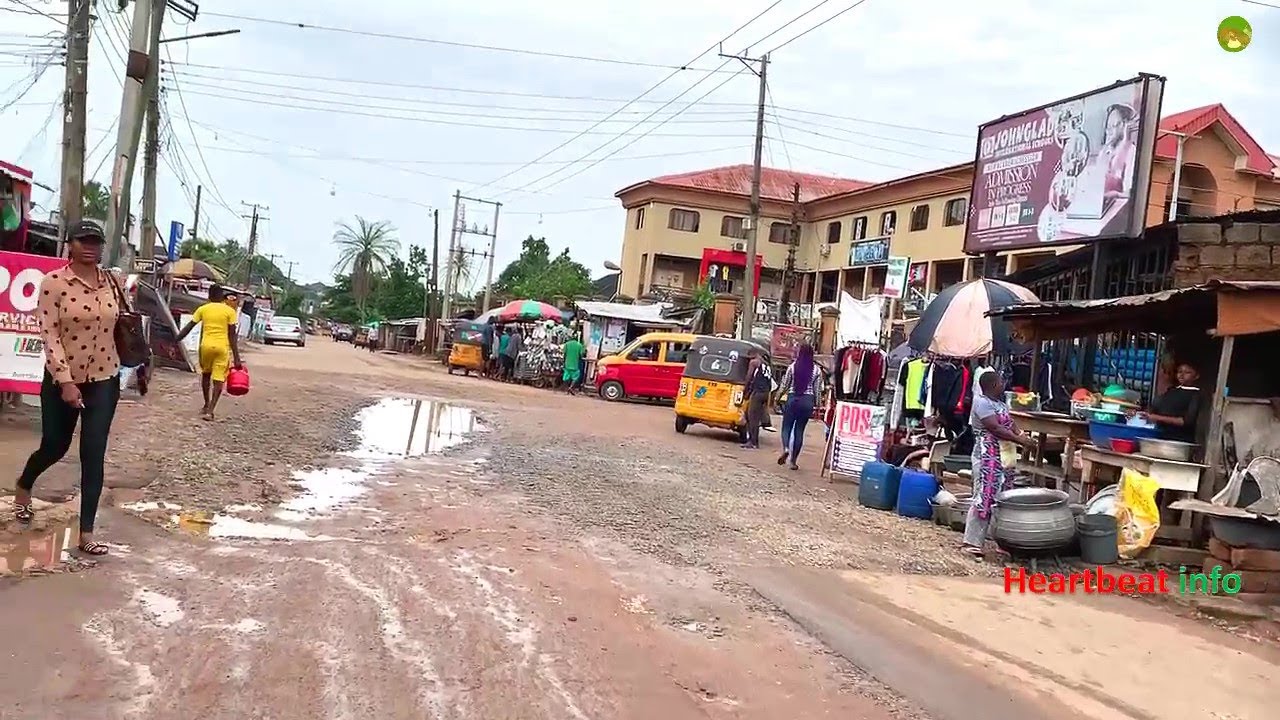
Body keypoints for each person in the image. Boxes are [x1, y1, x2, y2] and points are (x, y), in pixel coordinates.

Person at [12, 220, 125, 555]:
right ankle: (24, 484)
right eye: (83, 240)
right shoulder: (54, 283)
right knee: (55, 446)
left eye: (96, 241)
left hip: (105, 378)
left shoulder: (112, 281)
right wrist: (65, 381)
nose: (90, 247)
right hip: (63, 379)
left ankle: (86, 534)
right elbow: (50, 335)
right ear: (70, 244)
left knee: (93, 452)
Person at [962, 369, 1036, 557]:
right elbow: (995, 428)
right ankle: (972, 542)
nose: (1004, 385)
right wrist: (1020, 442)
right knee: (983, 495)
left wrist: (1022, 436)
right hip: (986, 455)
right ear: (994, 385)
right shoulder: (981, 403)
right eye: (1001, 382)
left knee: (1003, 496)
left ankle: (1001, 541)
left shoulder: (1000, 404)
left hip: (1003, 458)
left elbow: (1010, 424)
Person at [176, 285, 243, 421]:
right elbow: (232, 335)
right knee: (218, 379)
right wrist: (237, 357)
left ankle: (206, 404)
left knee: (206, 375)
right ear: (222, 297)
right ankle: (210, 411)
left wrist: (176, 338)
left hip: (205, 347)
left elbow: (189, 327)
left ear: (209, 296)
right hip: (222, 348)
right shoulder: (229, 311)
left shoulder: (203, 309)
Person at [775, 343, 825, 470]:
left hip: (792, 399)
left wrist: (777, 397)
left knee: (787, 427)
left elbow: (785, 385)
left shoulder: (792, 367)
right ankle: (793, 461)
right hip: (807, 402)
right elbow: (817, 390)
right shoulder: (817, 370)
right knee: (799, 431)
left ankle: (786, 448)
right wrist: (818, 405)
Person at [1137, 362, 1203, 444]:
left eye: (1187, 372)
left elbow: (1186, 421)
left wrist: (1157, 418)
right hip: (1161, 436)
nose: (1182, 375)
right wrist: (1138, 414)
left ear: (1196, 376)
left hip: (1180, 441)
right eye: (1179, 372)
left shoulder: (1195, 395)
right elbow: (1155, 409)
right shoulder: (1171, 391)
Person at [741, 350, 771, 449]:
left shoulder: (754, 363)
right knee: (755, 416)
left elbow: (749, 377)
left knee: (751, 416)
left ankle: (753, 441)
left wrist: (745, 390)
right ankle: (754, 440)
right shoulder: (765, 364)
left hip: (758, 392)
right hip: (765, 392)